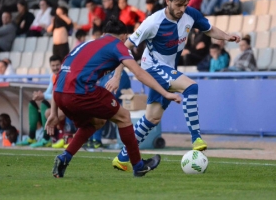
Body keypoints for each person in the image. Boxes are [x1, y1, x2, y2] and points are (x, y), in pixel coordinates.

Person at [108, 0, 240, 171]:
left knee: (151, 118)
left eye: (185, 4)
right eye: (178, 5)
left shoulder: (190, 14)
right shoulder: (153, 22)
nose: (182, 9)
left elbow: (209, 29)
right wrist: (116, 75)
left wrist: (227, 36)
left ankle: (121, 158)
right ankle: (196, 138)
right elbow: (124, 47)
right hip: (152, 68)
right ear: (167, 1)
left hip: (168, 68)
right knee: (191, 87)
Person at [45, 17, 182, 178]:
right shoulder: (117, 45)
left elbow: (59, 78)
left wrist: (54, 113)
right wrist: (165, 93)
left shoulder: (84, 45)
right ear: (124, 37)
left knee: (96, 122)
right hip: (81, 92)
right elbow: (138, 72)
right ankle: (138, 166)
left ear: (104, 33)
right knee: (124, 117)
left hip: (60, 95)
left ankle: (64, 158)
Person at [17, 55, 62, 148]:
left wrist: (43, 96)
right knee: (32, 103)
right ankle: (31, 136)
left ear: (62, 65)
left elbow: (59, 94)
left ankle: (46, 138)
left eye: (58, 65)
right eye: (53, 65)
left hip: (63, 104)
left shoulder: (63, 76)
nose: (55, 68)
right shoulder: (53, 76)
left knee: (44, 104)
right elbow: (49, 92)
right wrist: (39, 95)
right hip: (56, 103)